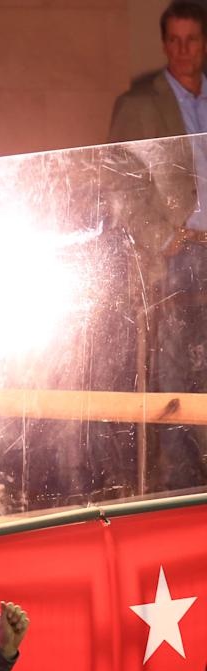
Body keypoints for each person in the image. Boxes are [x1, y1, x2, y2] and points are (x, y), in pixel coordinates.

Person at [108, 1, 207, 492]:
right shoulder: (140, 103)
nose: (183, 50)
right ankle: (180, 489)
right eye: (174, 40)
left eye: (192, 39)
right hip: (180, 254)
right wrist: (165, 238)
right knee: (176, 374)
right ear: (164, 42)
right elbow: (120, 184)